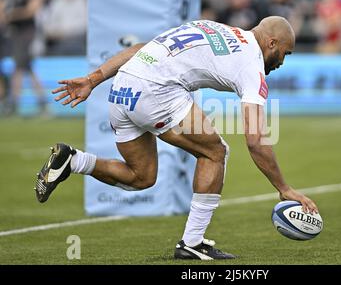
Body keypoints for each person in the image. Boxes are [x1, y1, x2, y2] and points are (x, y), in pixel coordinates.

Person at [35, 16, 319, 260]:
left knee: (142, 176)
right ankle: (192, 243)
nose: (283, 61)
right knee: (215, 152)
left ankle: (72, 161)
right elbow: (256, 140)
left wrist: (94, 78)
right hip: (155, 91)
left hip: (122, 85)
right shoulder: (252, 66)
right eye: (285, 53)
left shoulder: (212, 26)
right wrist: (284, 188)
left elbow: (142, 49)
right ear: (271, 43)